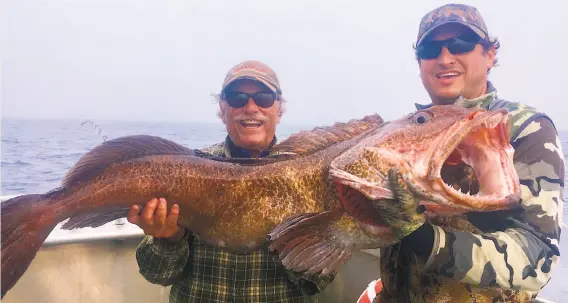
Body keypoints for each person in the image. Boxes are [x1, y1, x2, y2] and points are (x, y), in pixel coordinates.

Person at [360, 3, 565, 302]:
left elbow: (538, 257)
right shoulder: (401, 134)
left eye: (461, 43)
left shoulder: (524, 128)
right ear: (420, 64)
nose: (445, 58)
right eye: (430, 49)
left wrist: (427, 241)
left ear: (490, 55)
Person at [126, 60, 336, 302]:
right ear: (222, 108)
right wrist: (169, 238)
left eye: (264, 97)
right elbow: (157, 273)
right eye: (237, 98)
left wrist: (293, 236)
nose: (250, 107)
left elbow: (316, 282)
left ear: (279, 109)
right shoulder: (186, 172)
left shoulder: (312, 172)